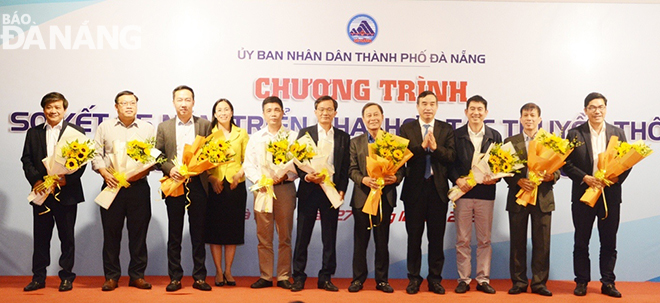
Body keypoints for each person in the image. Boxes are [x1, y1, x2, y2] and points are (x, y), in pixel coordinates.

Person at [562, 92, 629, 298]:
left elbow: (626, 162)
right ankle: (581, 281)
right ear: (585, 110)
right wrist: (585, 177)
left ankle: (608, 282)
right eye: (592, 107)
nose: (597, 111)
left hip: (609, 195)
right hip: (584, 194)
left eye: (600, 107)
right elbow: (566, 164)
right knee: (581, 240)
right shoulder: (574, 134)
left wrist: (616, 178)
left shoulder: (617, 133)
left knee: (609, 241)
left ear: (606, 109)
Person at [21, 92, 86, 292]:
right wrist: (38, 181)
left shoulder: (76, 131)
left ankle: (66, 277)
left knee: (67, 238)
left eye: (57, 107)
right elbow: (26, 160)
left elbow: (81, 163)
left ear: (64, 109)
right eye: (49, 107)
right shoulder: (34, 133)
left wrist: (67, 179)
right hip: (42, 193)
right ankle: (39, 277)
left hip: (67, 194)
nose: (53, 111)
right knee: (41, 238)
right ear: (44, 110)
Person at [92, 90, 154, 291]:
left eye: (132, 103)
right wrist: (103, 172)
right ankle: (111, 277)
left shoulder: (147, 129)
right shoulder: (105, 127)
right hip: (112, 186)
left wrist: (139, 173)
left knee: (139, 234)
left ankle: (137, 275)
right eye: (124, 103)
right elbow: (95, 153)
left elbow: (154, 158)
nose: (128, 106)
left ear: (137, 105)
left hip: (138, 187)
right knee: (111, 234)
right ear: (116, 107)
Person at [291, 96, 350, 292]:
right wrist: (307, 177)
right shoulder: (305, 133)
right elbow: (298, 163)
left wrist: (342, 189)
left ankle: (325, 277)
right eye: (321, 109)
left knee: (329, 236)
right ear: (315, 112)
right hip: (309, 190)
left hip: (331, 191)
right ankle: (298, 276)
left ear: (335, 112)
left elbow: (345, 167)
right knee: (302, 236)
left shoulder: (343, 136)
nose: (325, 113)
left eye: (329, 109)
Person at [155, 85, 212, 292]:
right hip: (174, 184)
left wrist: (199, 167)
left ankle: (199, 277)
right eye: (180, 99)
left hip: (197, 184)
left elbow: (212, 153)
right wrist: (170, 170)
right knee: (175, 232)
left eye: (187, 99)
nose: (184, 103)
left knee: (198, 233)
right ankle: (175, 277)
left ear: (193, 102)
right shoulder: (164, 127)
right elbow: (157, 155)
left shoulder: (205, 125)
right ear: (174, 102)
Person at [399, 91, 456, 295]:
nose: (428, 107)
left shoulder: (446, 129)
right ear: (417, 107)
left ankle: (435, 279)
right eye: (424, 104)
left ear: (437, 106)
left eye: (432, 104)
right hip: (414, 190)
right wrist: (422, 148)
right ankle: (414, 279)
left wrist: (436, 148)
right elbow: (401, 156)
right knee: (414, 238)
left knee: (436, 238)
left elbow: (451, 156)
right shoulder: (407, 128)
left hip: (437, 190)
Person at [347, 103, 403, 293]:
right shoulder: (355, 142)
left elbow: (401, 168)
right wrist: (363, 179)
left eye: (376, 114)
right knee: (360, 242)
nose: (373, 118)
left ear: (382, 117)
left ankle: (382, 280)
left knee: (382, 241)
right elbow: (351, 169)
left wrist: (396, 178)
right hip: (362, 198)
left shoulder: (392, 141)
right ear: (363, 119)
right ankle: (357, 279)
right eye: (369, 115)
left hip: (385, 198)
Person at [504, 103, 558, 296]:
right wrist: (518, 181)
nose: (529, 118)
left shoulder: (550, 141)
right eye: (525, 115)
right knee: (517, 242)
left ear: (539, 119)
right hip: (518, 198)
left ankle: (539, 283)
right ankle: (518, 282)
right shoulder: (510, 141)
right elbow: (504, 170)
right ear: (520, 119)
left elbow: (557, 170)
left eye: (532, 115)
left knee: (542, 243)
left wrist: (551, 177)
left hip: (542, 198)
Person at [243, 96, 298, 289]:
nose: (273, 114)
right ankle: (266, 276)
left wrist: (285, 176)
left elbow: (300, 165)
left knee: (285, 235)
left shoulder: (293, 137)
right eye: (269, 110)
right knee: (264, 235)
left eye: (277, 110)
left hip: (284, 190)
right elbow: (248, 165)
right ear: (264, 114)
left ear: (283, 112)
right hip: (263, 190)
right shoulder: (256, 137)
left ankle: (283, 275)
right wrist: (261, 180)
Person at [449, 95, 502, 294]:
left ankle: (482, 279)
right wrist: (457, 180)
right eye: (472, 109)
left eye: (480, 109)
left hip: (485, 194)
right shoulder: (456, 135)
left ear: (486, 113)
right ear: (466, 112)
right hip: (462, 193)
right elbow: (449, 164)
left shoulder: (494, 136)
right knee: (462, 239)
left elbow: (502, 165)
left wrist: (496, 178)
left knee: (484, 239)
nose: (476, 112)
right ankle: (463, 279)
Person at [205, 98, 249, 287]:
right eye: (219, 110)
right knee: (215, 230)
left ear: (232, 112)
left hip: (235, 185)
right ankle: (218, 271)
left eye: (226, 109)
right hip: (215, 186)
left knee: (232, 229)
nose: (223, 113)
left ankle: (229, 271)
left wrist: (239, 175)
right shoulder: (208, 133)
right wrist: (212, 178)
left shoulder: (242, 133)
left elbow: (248, 159)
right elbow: (202, 161)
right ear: (214, 114)